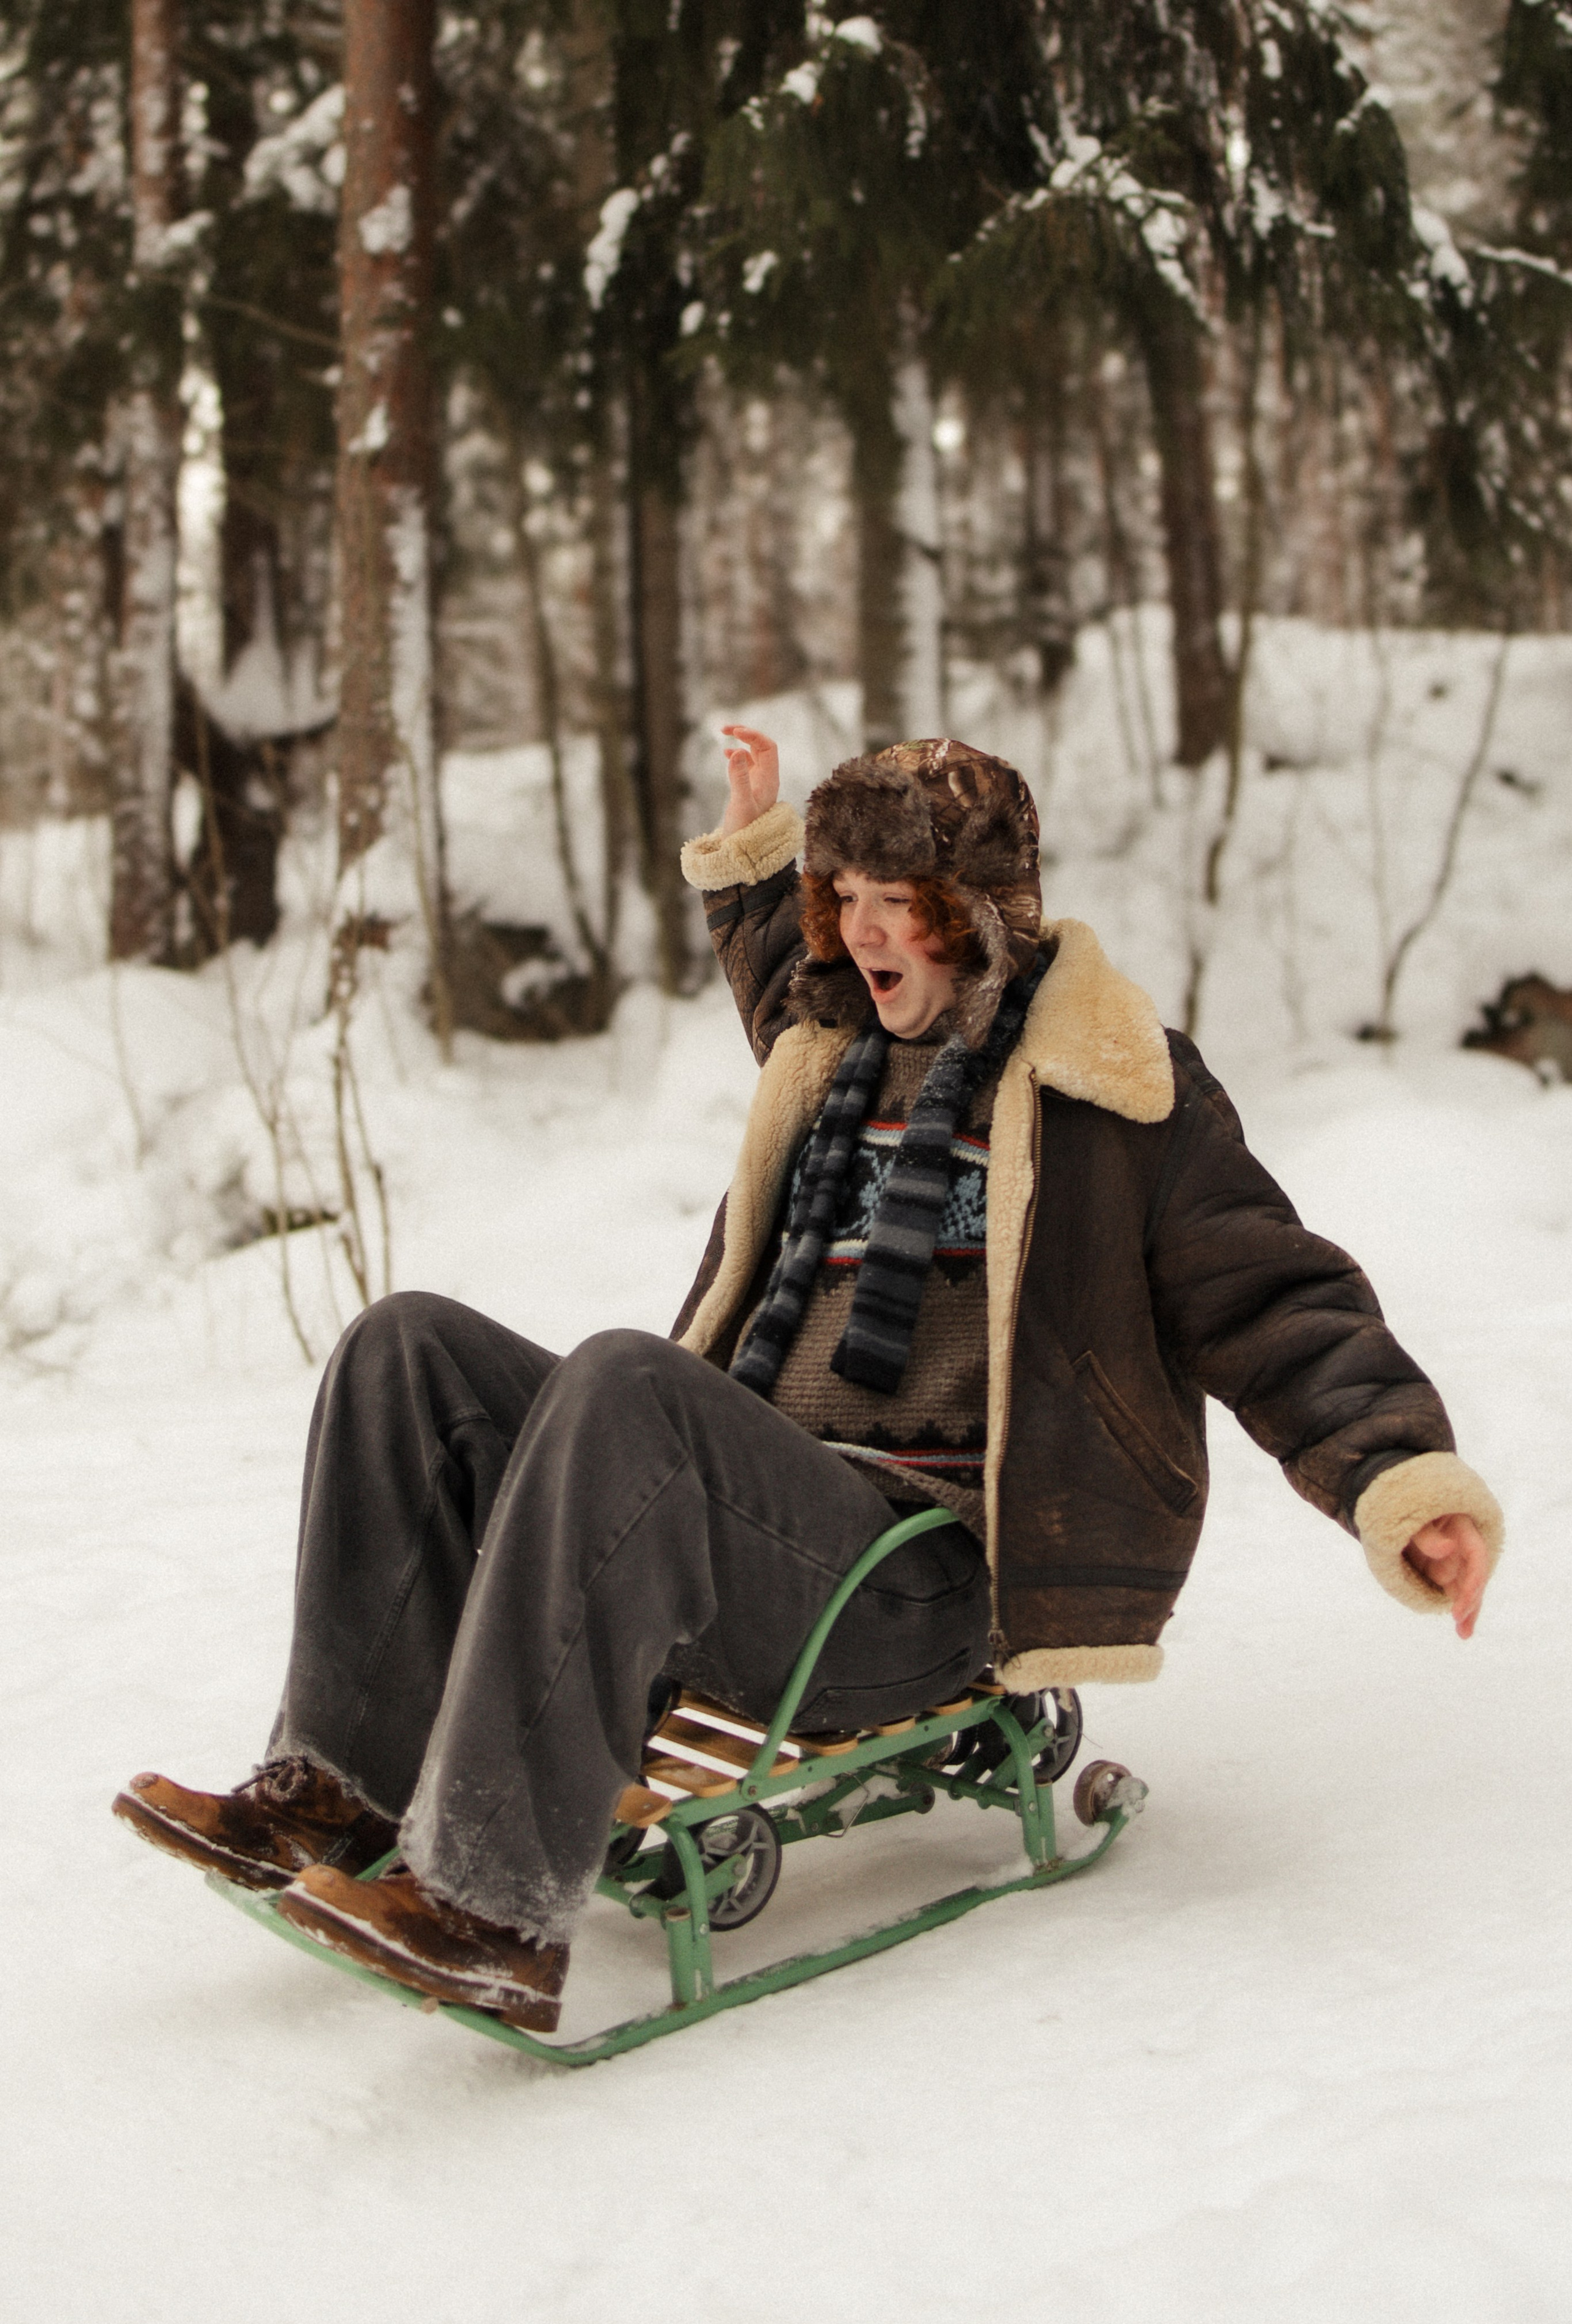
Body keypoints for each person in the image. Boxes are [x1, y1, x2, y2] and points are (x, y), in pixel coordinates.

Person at [114, 729, 1501, 2034]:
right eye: (847, 900)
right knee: (404, 1346)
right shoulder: (833, 1048)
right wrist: (758, 844)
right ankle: (336, 1790)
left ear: (985, 916)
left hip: (917, 1578)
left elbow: (1274, 1300)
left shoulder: (1113, 1089)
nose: (866, 932)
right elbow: (779, 960)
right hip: (761, 1528)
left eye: (904, 904)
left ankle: (491, 1909)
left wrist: (1401, 1479)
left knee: (632, 1385)